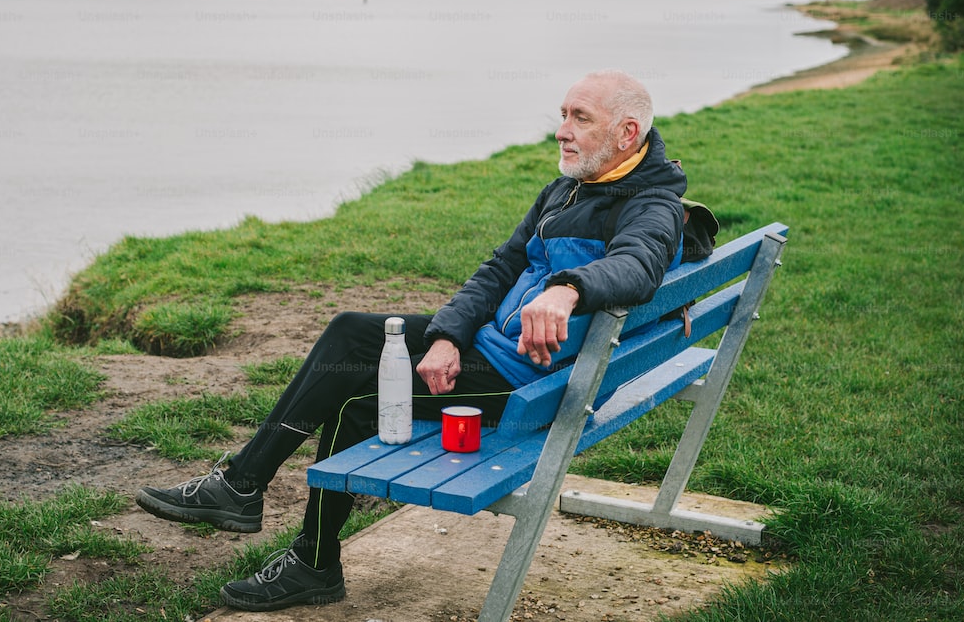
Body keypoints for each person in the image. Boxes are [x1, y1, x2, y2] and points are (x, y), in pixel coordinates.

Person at [135, 69, 687, 612]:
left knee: (355, 403)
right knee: (350, 330)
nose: (561, 130)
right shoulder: (568, 189)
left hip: (531, 386)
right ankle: (242, 484)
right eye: (563, 114)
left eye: (579, 118)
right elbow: (500, 268)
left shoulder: (651, 205)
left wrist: (568, 288)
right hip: (492, 347)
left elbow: (637, 264)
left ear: (626, 133)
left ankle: (314, 562)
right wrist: (447, 337)